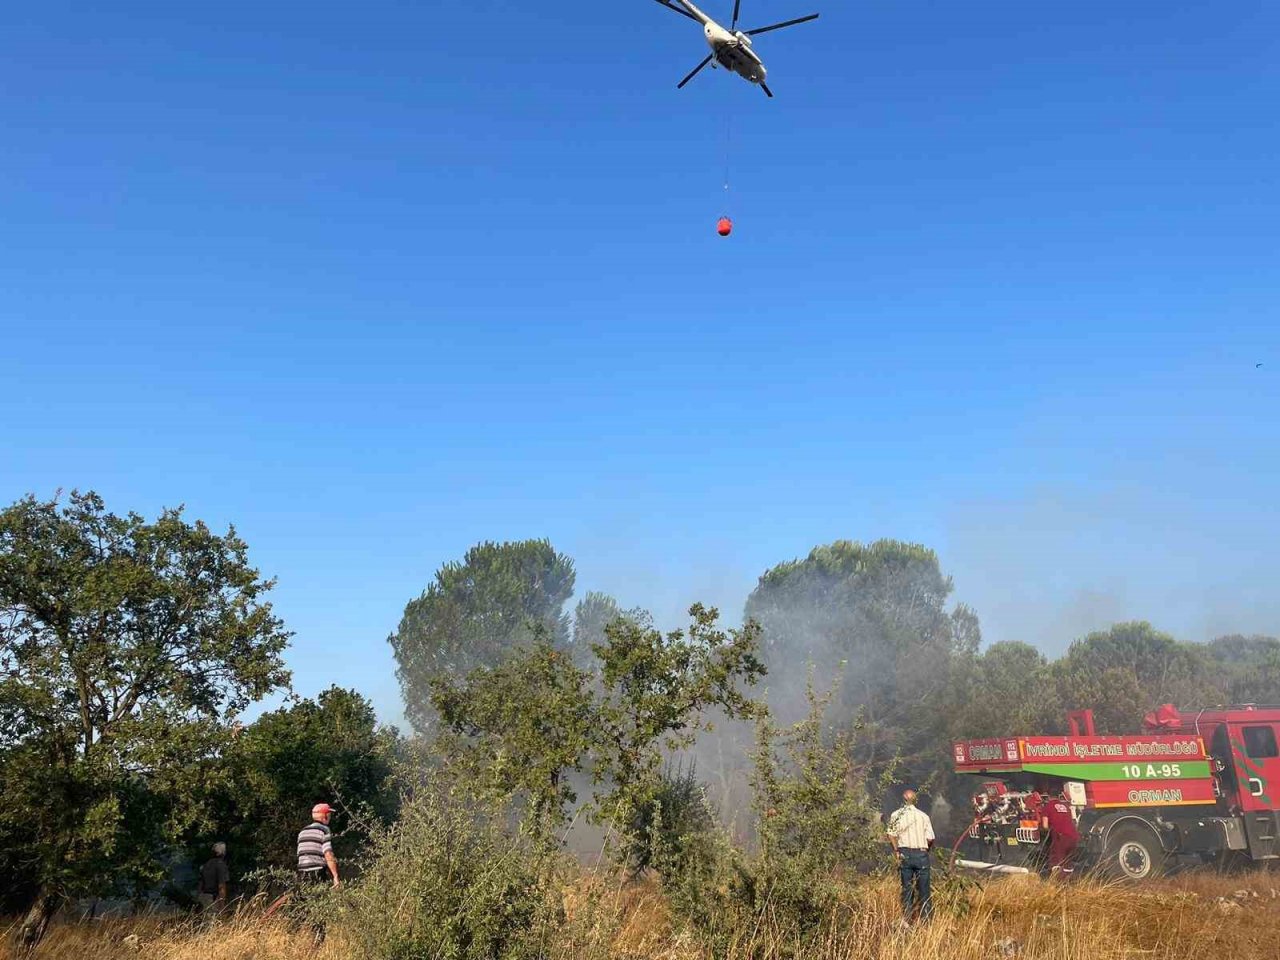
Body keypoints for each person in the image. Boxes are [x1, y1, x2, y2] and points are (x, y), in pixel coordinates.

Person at [886, 788, 935, 922]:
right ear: (915, 801)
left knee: (907, 889)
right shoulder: (923, 816)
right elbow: (930, 838)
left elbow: (891, 834)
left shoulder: (896, 815)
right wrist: (925, 850)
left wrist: (896, 850)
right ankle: (926, 920)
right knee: (924, 890)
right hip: (921, 854)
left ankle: (907, 919)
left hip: (905, 853)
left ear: (903, 800)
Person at [297, 802, 341, 888]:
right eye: (329, 814)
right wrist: (335, 876)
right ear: (324, 816)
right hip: (317, 871)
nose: (330, 817)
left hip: (302, 872)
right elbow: (328, 853)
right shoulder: (324, 830)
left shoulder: (303, 831)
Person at [1040, 790, 1080, 879]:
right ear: (1058, 796)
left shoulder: (1048, 807)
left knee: (1056, 861)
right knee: (1068, 862)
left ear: (1048, 797)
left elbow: (1045, 826)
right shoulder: (1065, 806)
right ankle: (1070, 880)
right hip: (1074, 837)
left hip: (1060, 837)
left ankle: (1058, 882)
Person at [197, 842, 230, 914]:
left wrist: (199, 900)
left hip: (203, 898)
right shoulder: (221, 865)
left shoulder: (205, 865)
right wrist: (222, 906)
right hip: (214, 899)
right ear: (223, 853)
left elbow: (200, 885)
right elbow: (221, 886)